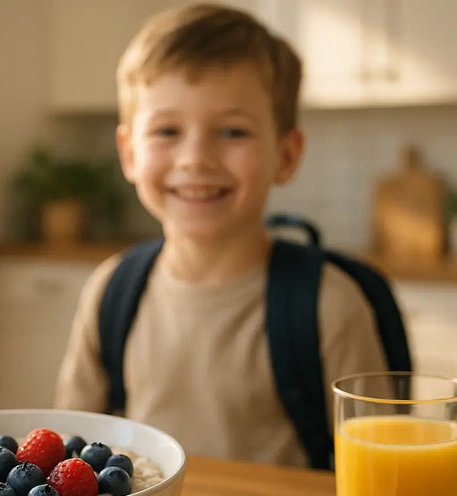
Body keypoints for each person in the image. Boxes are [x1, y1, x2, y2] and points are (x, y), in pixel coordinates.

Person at [54, 3, 387, 467]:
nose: (195, 158)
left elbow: (379, 473)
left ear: (286, 155)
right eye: (167, 130)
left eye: (233, 131)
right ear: (129, 154)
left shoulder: (331, 305)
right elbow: (70, 458)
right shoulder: (111, 290)